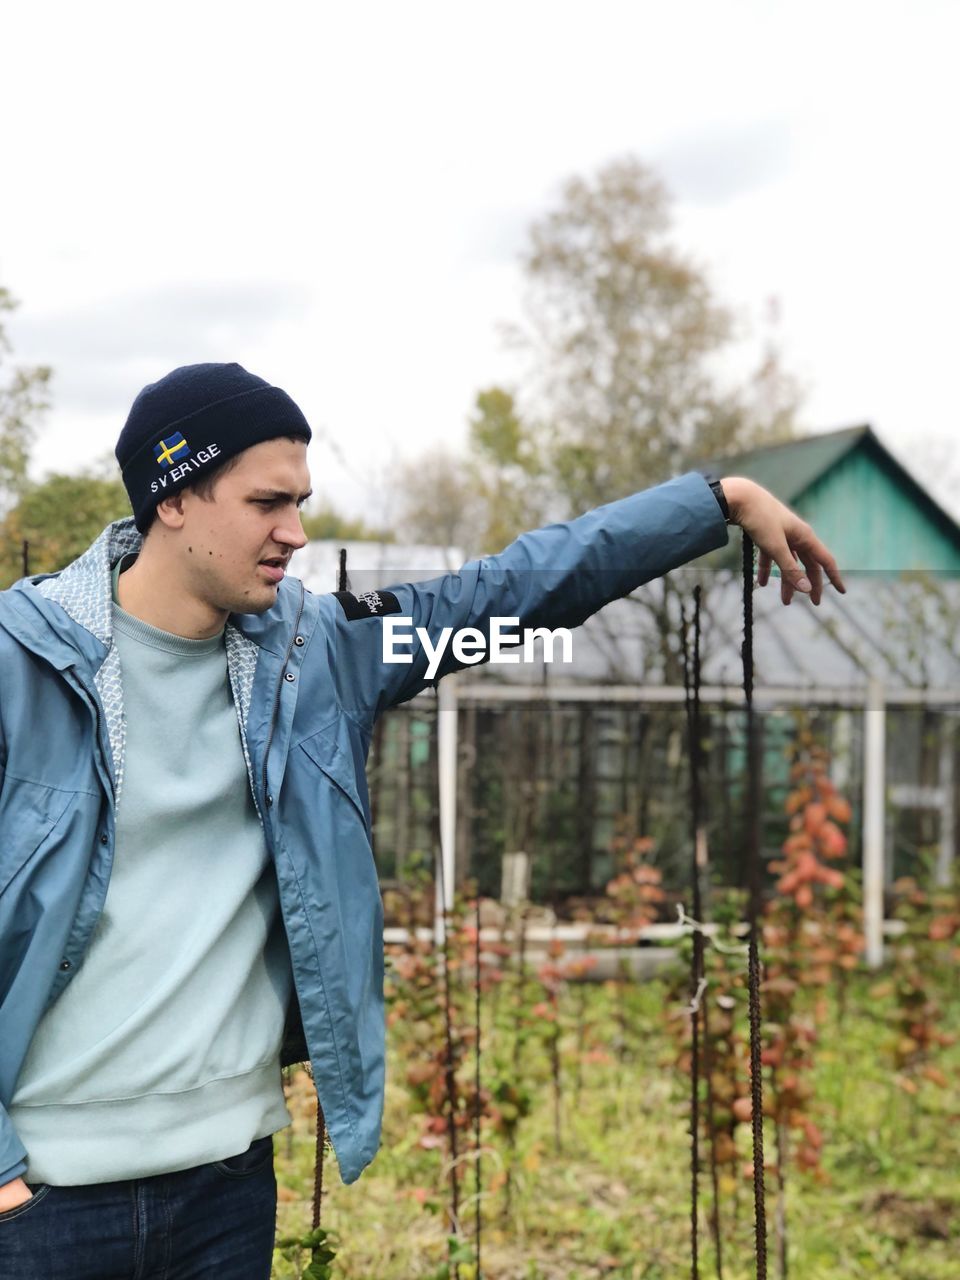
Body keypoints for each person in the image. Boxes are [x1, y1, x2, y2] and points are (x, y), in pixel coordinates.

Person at [0, 362, 845, 1277]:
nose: (297, 531)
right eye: (266, 503)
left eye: (301, 500)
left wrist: (714, 501)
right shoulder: (23, 668)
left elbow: (510, 593)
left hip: (225, 1186)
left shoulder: (315, 658)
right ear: (174, 498)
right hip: (42, 1204)